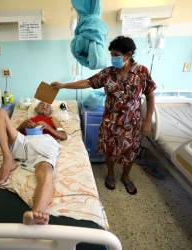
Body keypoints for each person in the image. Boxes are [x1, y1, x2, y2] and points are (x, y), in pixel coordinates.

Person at [52, 36, 156, 195]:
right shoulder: (108, 73)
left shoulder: (142, 72)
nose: (113, 58)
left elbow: (150, 95)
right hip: (111, 122)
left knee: (131, 152)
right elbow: (87, 82)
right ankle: (111, 174)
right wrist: (63, 85)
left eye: (116, 54)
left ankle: (126, 177)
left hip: (132, 123)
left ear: (128, 54)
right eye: (112, 55)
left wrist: (148, 119)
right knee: (109, 150)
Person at [0, 101, 67, 224]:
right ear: (36, 109)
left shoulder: (52, 119)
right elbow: (8, 135)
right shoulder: (30, 119)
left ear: (50, 111)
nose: (44, 105)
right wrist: (22, 126)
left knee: (46, 171)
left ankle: (36, 214)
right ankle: (8, 158)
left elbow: (63, 136)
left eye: (48, 105)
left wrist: (47, 127)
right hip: (25, 141)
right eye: (41, 104)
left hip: (44, 143)